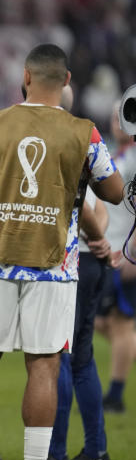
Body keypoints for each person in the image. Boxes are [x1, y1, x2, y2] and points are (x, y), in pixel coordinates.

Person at [0, 43, 122, 460]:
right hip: (54, 267)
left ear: (25, 76)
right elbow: (115, 192)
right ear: (68, 81)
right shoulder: (85, 132)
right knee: (44, 364)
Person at [99, 104, 136, 414]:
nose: (115, 122)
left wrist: (133, 253)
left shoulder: (135, 159)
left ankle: (115, 395)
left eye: (120, 117)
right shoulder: (119, 153)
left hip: (124, 253)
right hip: (109, 251)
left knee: (121, 325)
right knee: (104, 322)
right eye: (113, 117)